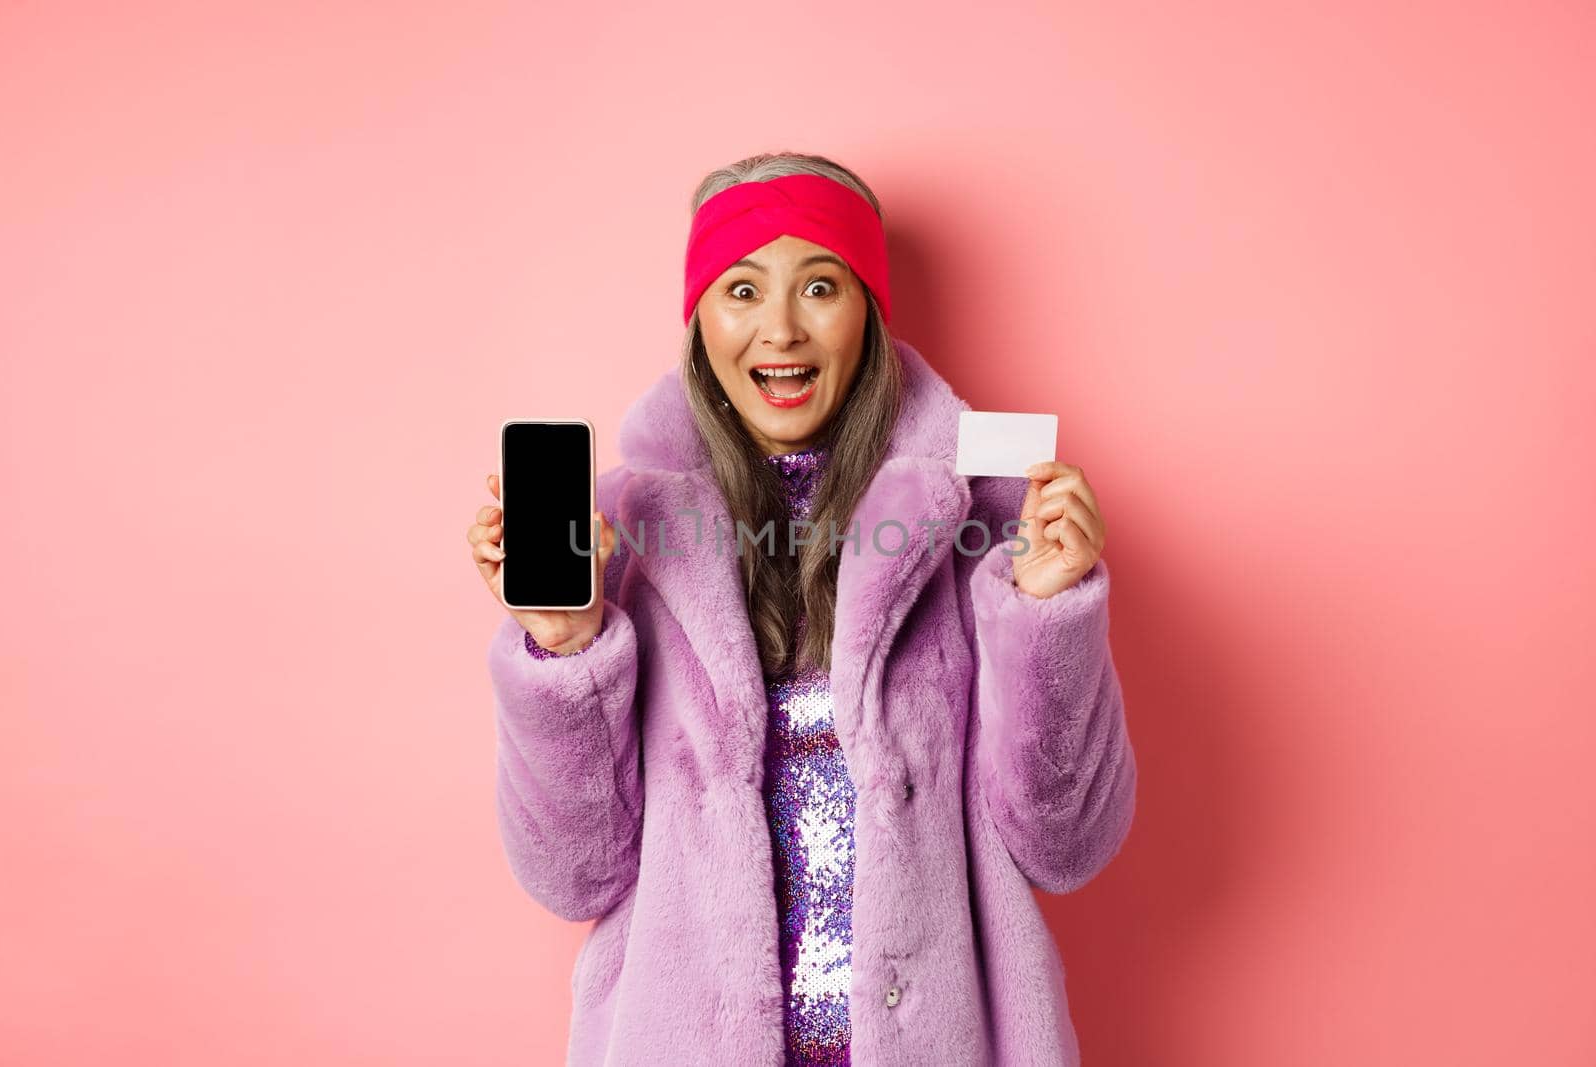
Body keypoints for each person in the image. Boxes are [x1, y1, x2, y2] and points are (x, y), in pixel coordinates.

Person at [466, 151, 1136, 1066]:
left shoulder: (981, 519)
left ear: (867, 309)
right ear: (698, 320)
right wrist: (565, 645)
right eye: (741, 290)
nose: (778, 330)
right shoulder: (617, 539)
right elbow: (575, 874)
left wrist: (1049, 620)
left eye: (819, 285)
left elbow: (1067, 844)